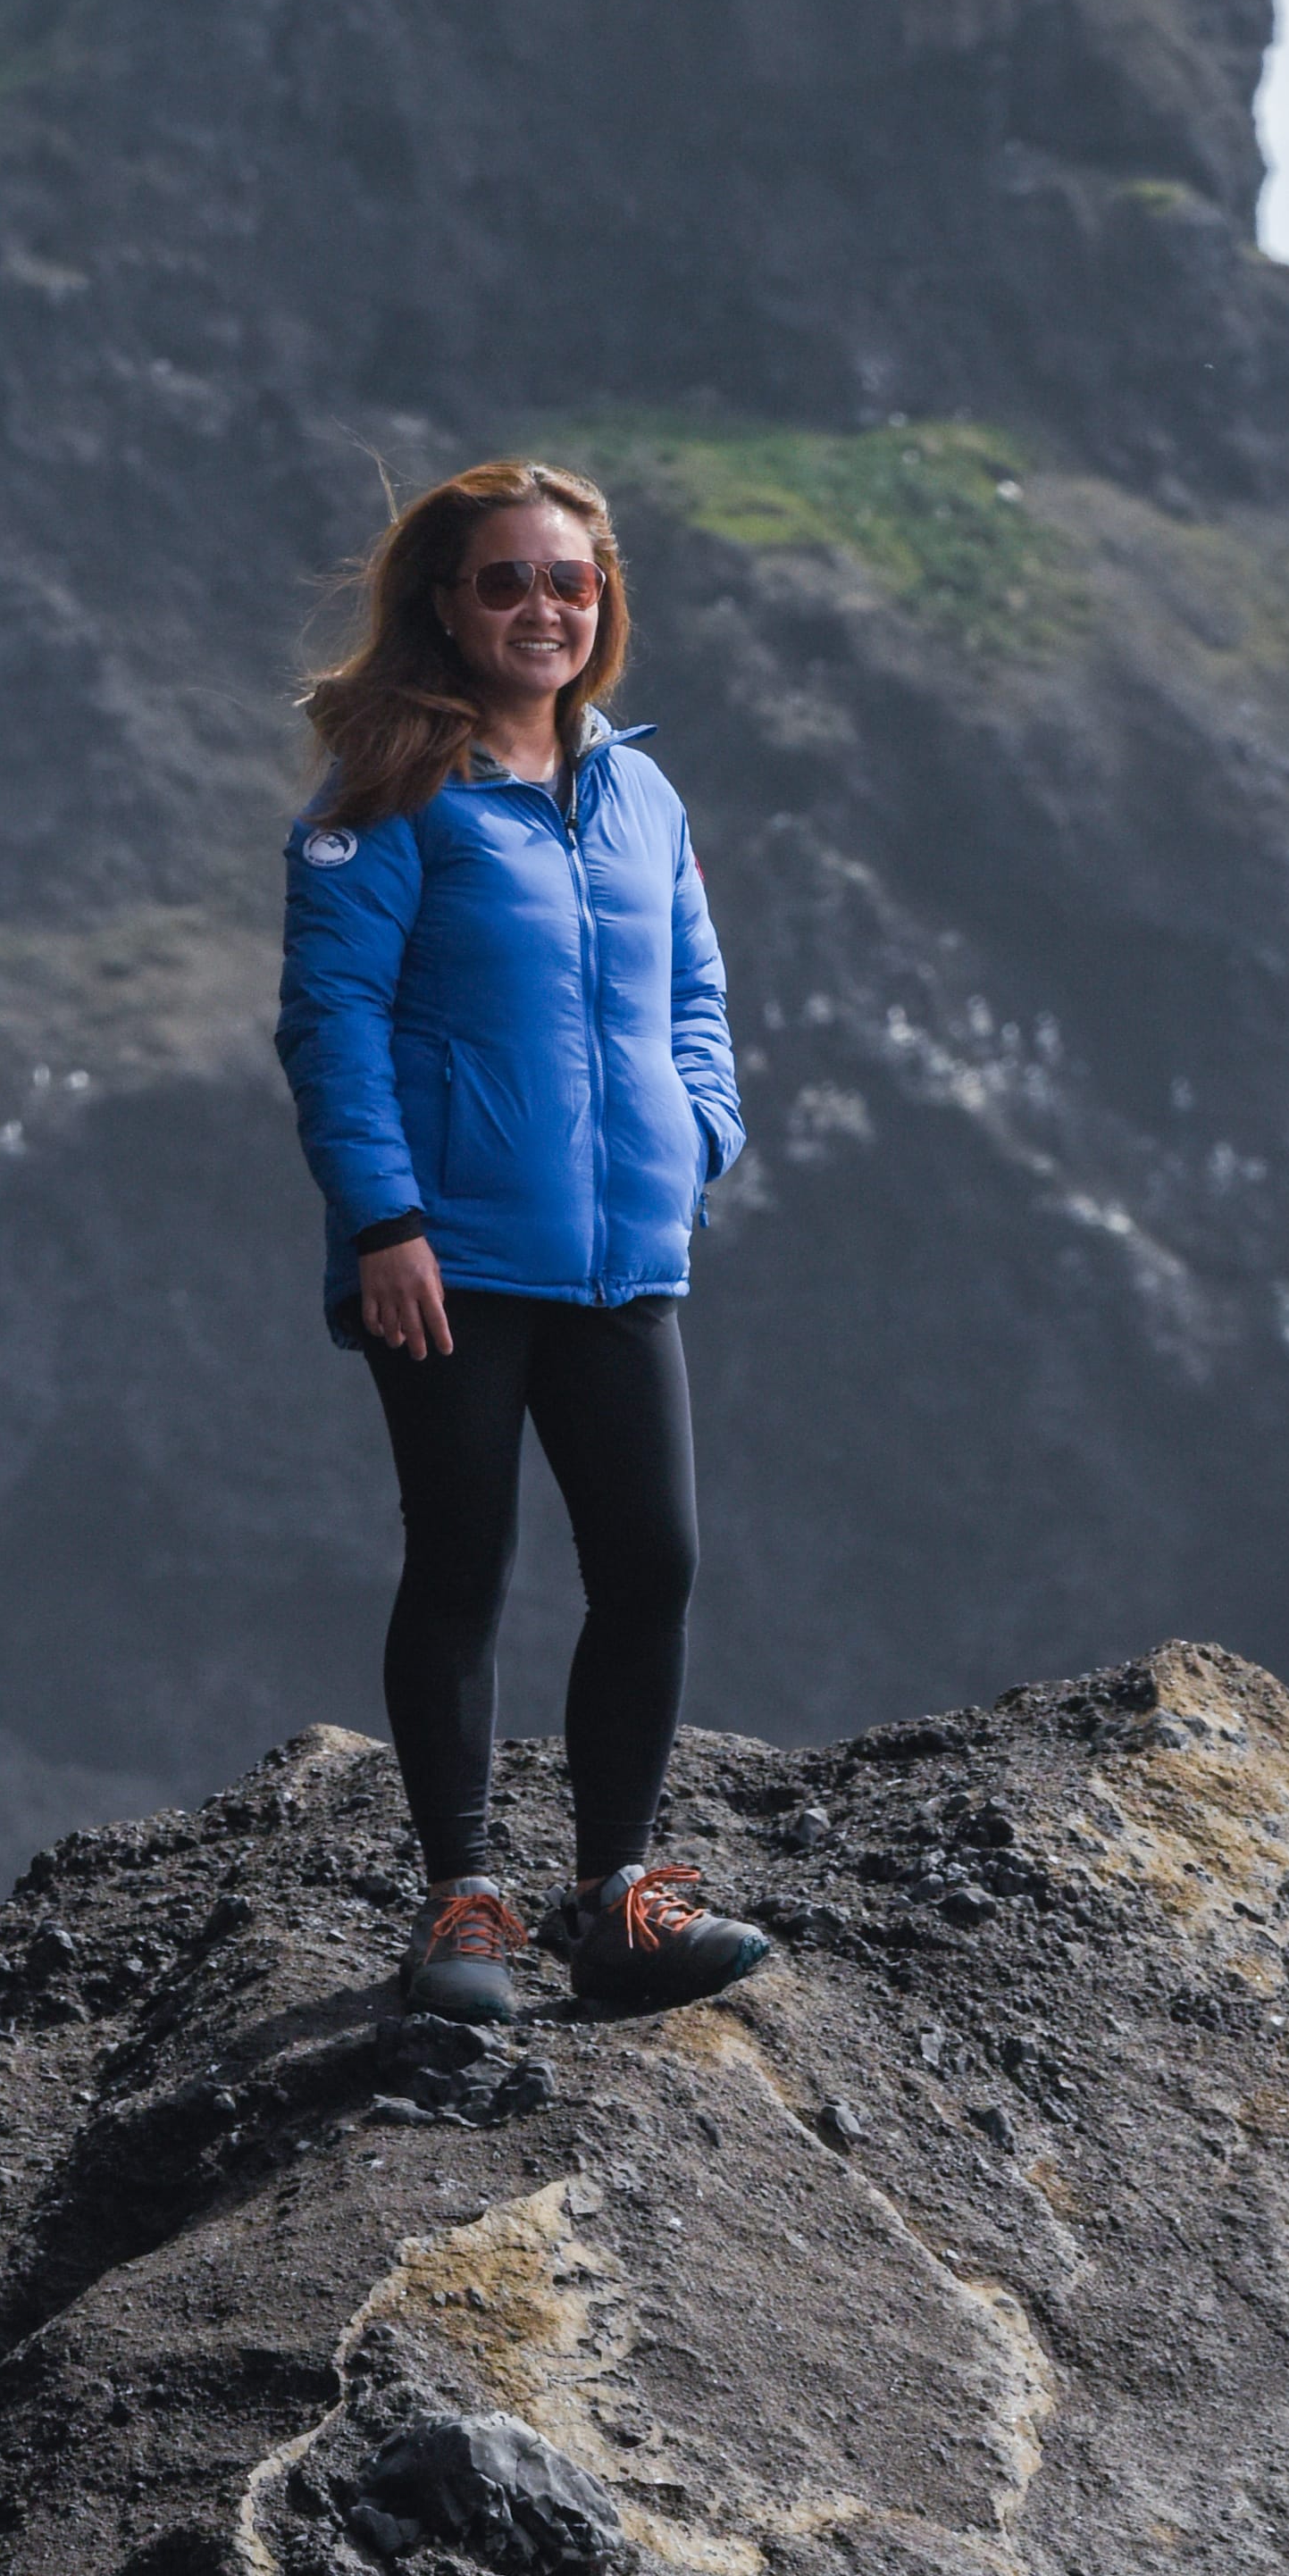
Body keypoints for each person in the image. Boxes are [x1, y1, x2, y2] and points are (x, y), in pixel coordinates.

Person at [274, 458, 775, 2024]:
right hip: (450, 1261)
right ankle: (463, 1903)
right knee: (462, 1565)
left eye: (569, 581)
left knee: (652, 1565)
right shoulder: (387, 793)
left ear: (602, 599)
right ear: (445, 601)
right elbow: (330, 1024)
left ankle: (619, 1895)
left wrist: (701, 1133)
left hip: (625, 1254)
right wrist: (385, 1223)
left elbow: (696, 994)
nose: (542, 608)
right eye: (505, 581)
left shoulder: (641, 789)